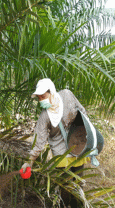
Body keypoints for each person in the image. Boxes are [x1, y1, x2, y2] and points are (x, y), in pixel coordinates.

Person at [21, 78, 89, 207]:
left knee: (78, 184)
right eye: (39, 98)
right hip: (61, 155)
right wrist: (29, 161)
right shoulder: (44, 116)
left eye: (43, 96)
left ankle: (78, 205)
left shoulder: (67, 95)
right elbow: (39, 141)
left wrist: (82, 130)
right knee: (64, 187)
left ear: (51, 91)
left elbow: (82, 112)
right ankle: (64, 205)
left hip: (77, 146)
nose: (41, 100)